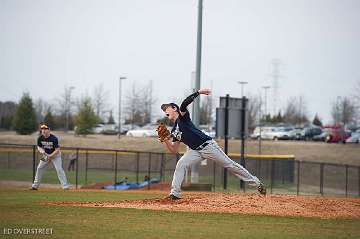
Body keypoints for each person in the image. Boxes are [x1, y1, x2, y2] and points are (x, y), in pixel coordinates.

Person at [160, 89, 266, 200]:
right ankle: (175, 194)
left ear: (174, 108)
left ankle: (256, 182)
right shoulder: (173, 131)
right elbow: (174, 150)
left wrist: (199, 92)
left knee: (229, 165)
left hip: (207, 146)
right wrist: (165, 140)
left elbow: (185, 103)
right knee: (181, 164)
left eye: (166, 109)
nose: (165, 112)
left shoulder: (182, 117)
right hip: (194, 151)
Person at [31, 124, 69, 190]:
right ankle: (35, 186)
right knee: (39, 168)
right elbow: (39, 147)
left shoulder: (54, 138)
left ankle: (65, 186)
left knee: (59, 169)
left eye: (45, 129)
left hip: (56, 156)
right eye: (42, 129)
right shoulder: (40, 138)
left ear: (49, 130)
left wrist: (50, 156)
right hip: (46, 155)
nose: (43, 130)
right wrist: (43, 152)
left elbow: (57, 150)